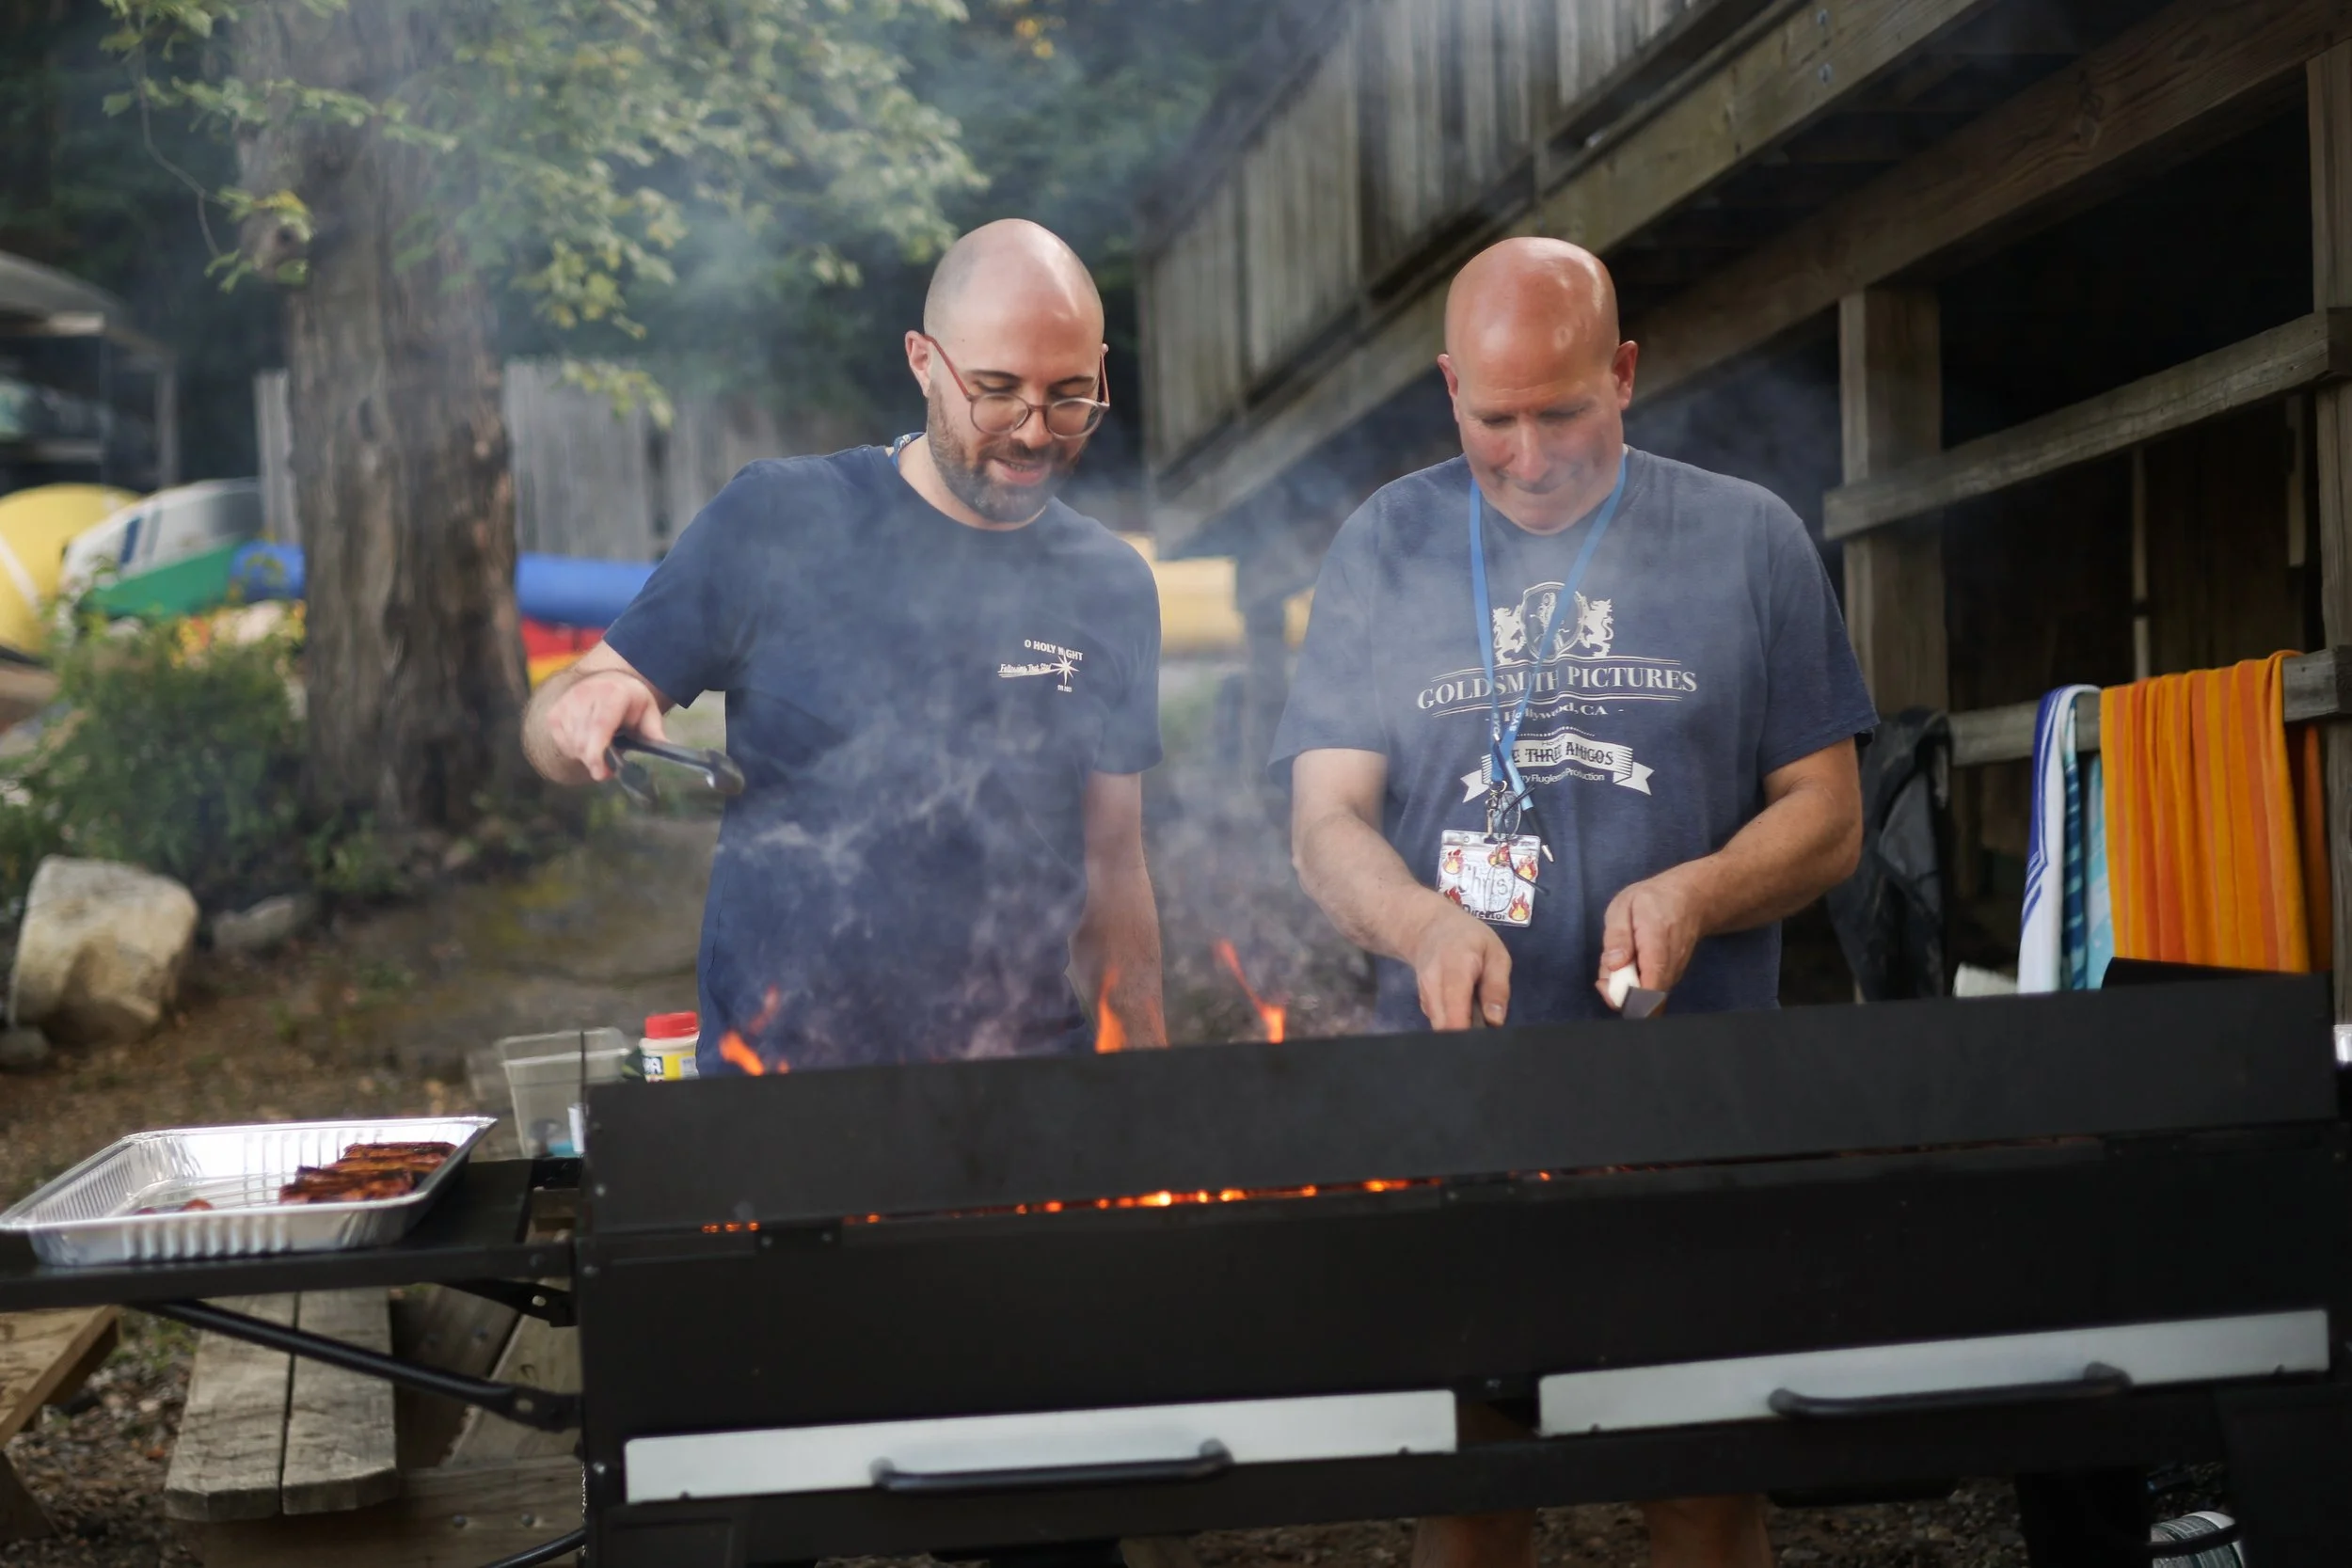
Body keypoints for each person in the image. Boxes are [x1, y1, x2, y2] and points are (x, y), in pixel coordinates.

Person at [1274, 236, 1875, 1568]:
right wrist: (1426, 919)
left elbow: (1829, 817)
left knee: (1706, 1485)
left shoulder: (1745, 535)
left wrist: (1700, 888)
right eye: (1495, 420)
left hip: (1694, 1108)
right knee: (1472, 1489)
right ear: (1448, 389)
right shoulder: (1385, 541)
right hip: (1457, 1116)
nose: (1531, 455)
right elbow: (1324, 824)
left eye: (1565, 412)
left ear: (1627, 371)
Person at [523, 219, 1167, 1071]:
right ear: (923, 361)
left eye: (1069, 392)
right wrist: (587, 705)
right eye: (997, 389)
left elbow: (1114, 864)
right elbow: (550, 730)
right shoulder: (778, 520)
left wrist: (1152, 1084)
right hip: (787, 1088)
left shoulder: (1110, 584)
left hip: (1021, 1089)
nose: (1036, 430)